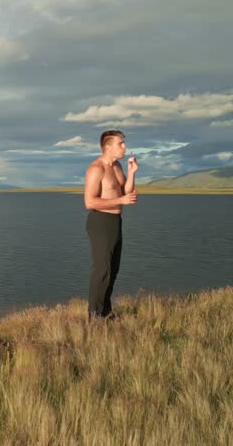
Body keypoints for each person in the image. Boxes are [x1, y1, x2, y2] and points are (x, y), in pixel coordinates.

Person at [83, 130, 138, 322]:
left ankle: (106, 312)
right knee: (102, 271)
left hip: (115, 221)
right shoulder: (96, 168)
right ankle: (94, 317)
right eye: (121, 143)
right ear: (108, 146)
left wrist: (131, 174)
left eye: (124, 143)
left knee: (113, 270)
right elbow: (89, 202)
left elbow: (124, 191)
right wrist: (122, 199)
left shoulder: (117, 166)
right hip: (100, 222)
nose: (124, 147)